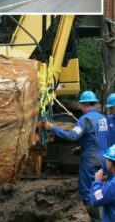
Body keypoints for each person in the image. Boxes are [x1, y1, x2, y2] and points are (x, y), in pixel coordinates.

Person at [43, 91, 108, 222]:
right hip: (103, 159)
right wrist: (82, 147)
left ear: (83, 105)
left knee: (86, 193)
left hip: (90, 161)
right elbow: (97, 137)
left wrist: (52, 128)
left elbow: (72, 136)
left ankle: (97, 220)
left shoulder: (85, 119)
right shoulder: (102, 118)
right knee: (101, 189)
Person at [89, 145, 115, 221]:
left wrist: (97, 182)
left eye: (106, 159)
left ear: (110, 163)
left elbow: (96, 200)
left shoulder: (112, 186)